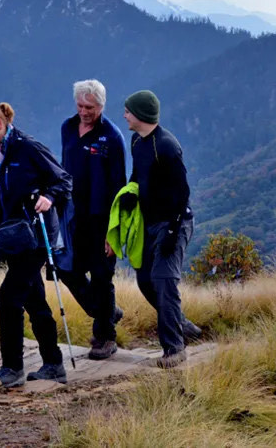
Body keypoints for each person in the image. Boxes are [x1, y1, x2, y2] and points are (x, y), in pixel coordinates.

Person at [0, 101, 72, 388]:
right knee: (34, 300)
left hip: (36, 234)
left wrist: (49, 197)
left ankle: (12, 367)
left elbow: (63, 181)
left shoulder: (28, 147)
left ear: (0, 123)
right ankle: (53, 363)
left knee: (8, 297)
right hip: (11, 237)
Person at [123, 90, 196, 368]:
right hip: (150, 223)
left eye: (128, 111)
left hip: (173, 222)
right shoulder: (137, 141)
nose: (125, 115)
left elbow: (182, 192)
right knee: (145, 280)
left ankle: (175, 349)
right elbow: (137, 174)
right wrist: (132, 192)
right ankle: (181, 324)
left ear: (140, 114)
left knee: (164, 281)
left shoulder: (166, 145)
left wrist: (172, 232)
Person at [60, 80, 126, 360]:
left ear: (101, 106)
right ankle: (107, 311)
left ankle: (104, 337)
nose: (85, 111)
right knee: (67, 269)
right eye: (81, 105)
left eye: (91, 107)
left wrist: (114, 231)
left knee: (101, 275)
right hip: (73, 214)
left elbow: (118, 184)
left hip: (102, 217)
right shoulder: (67, 127)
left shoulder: (112, 137)